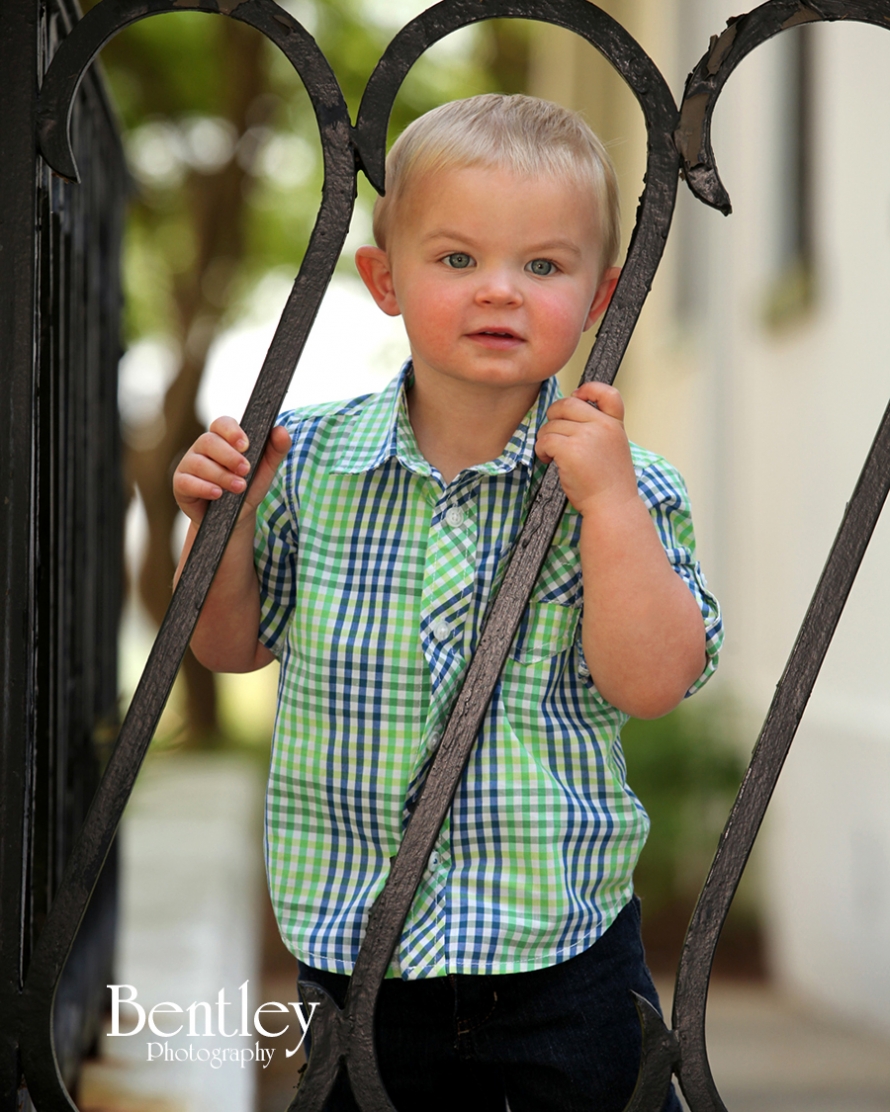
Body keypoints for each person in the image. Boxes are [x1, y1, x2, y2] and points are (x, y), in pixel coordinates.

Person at [173, 94, 722, 1112]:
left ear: (600, 293)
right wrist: (220, 526)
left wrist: (601, 504)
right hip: (356, 951)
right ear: (384, 280)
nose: (498, 292)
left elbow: (650, 684)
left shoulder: (631, 488)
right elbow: (223, 646)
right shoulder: (306, 460)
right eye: (457, 259)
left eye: (542, 266)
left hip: (560, 948)